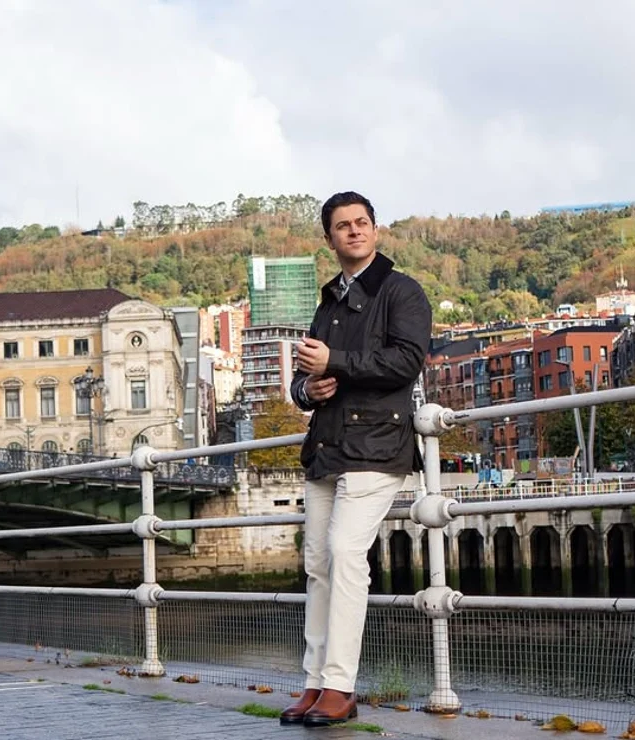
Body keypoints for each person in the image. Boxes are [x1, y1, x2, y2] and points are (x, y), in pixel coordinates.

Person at [279, 191, 432, 727]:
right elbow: (304, 378)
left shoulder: (402, 290)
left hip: (377, 446)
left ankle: (340, 687)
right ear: (330, 239)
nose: (354, 231)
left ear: (375, 229)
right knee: (317, 565)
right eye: (342, 226)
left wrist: (336, 361)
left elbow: (406, 362)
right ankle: (315, 682)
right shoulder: (329, 302)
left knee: (345, 554)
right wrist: (307, 390)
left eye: (362, 222)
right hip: (327, 446)